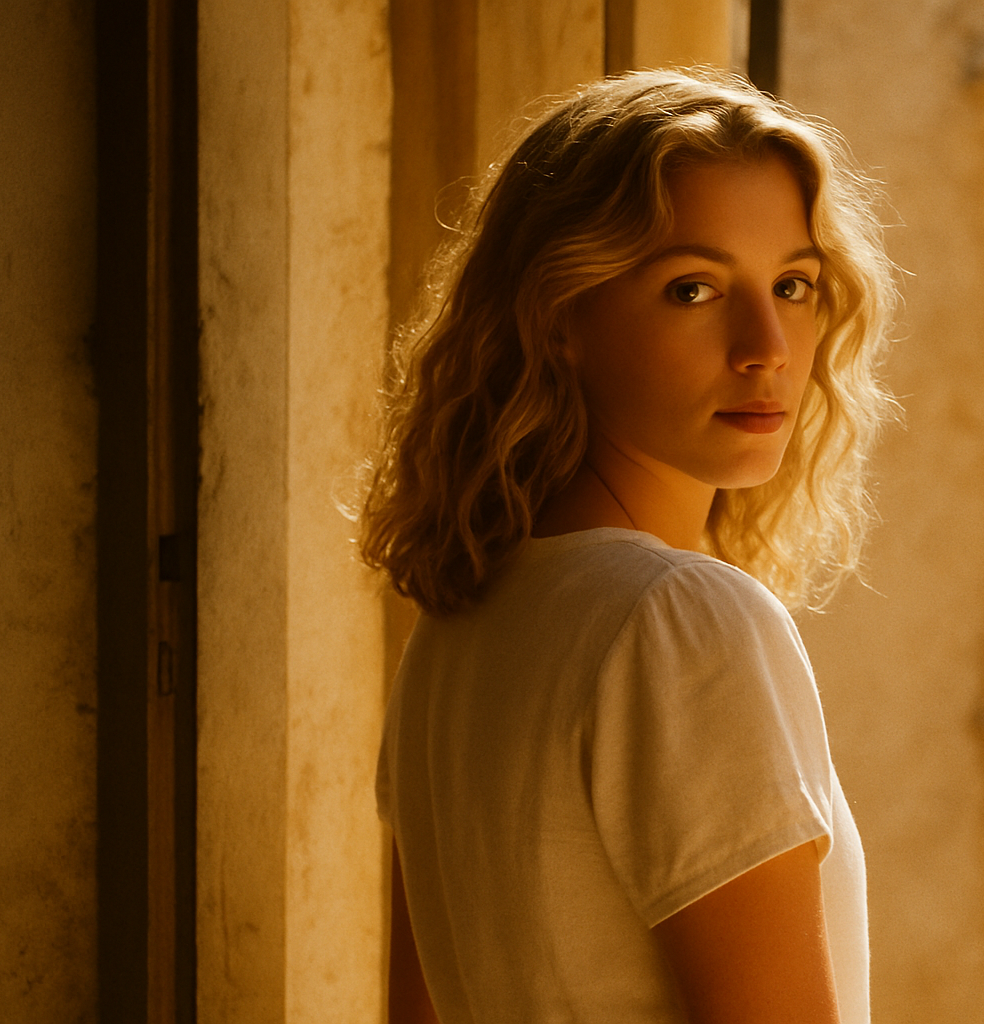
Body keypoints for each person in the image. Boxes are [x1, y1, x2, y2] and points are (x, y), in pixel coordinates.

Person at [353, 67, 898, 1024]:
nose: (767, 346)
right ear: (559, 316)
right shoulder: (681, 620)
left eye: (793, 286)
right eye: (694, 288)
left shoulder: (454, 636)